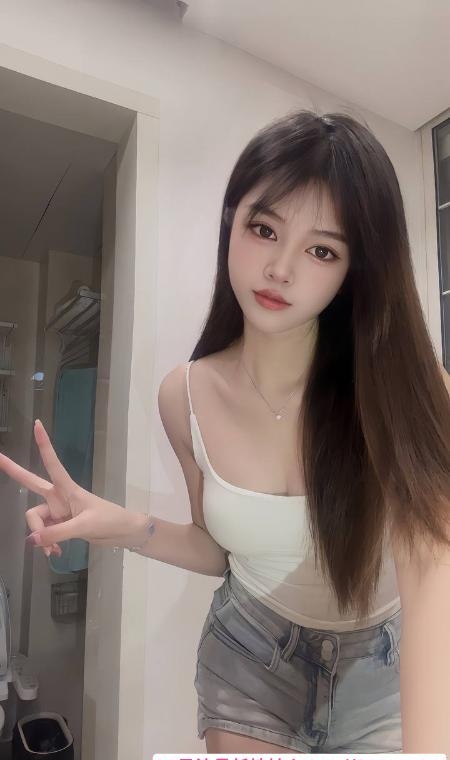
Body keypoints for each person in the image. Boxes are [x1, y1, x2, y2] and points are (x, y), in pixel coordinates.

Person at [1, 109, 449, 754]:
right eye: (264, 229)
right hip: (250, 657)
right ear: (231, 224)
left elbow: (433, 568)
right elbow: (220, 552)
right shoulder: (183, 396)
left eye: (322, 250)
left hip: (382, 670)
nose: (281, 269)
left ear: (357, 270)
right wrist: (116, 524)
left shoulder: (411, 387)